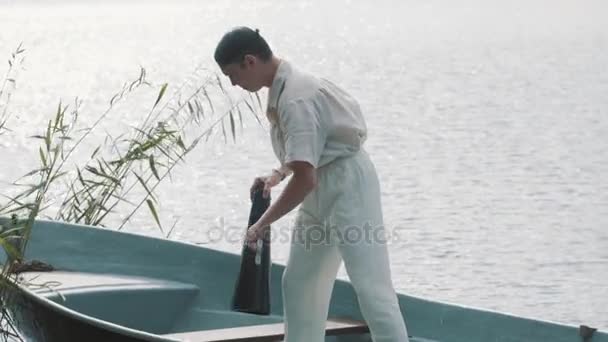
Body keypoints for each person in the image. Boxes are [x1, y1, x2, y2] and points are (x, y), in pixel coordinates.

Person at [214, 26, 410, 342]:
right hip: (322, 187)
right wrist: (278, 174)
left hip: (348, 187)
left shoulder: (295, 98)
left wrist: (261, 225)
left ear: (250, 61)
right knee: (300, 283)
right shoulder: (284, 90)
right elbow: (309, 152)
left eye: (232, 75)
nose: (233, 84)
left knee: (372, 291)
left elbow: (306, 178)